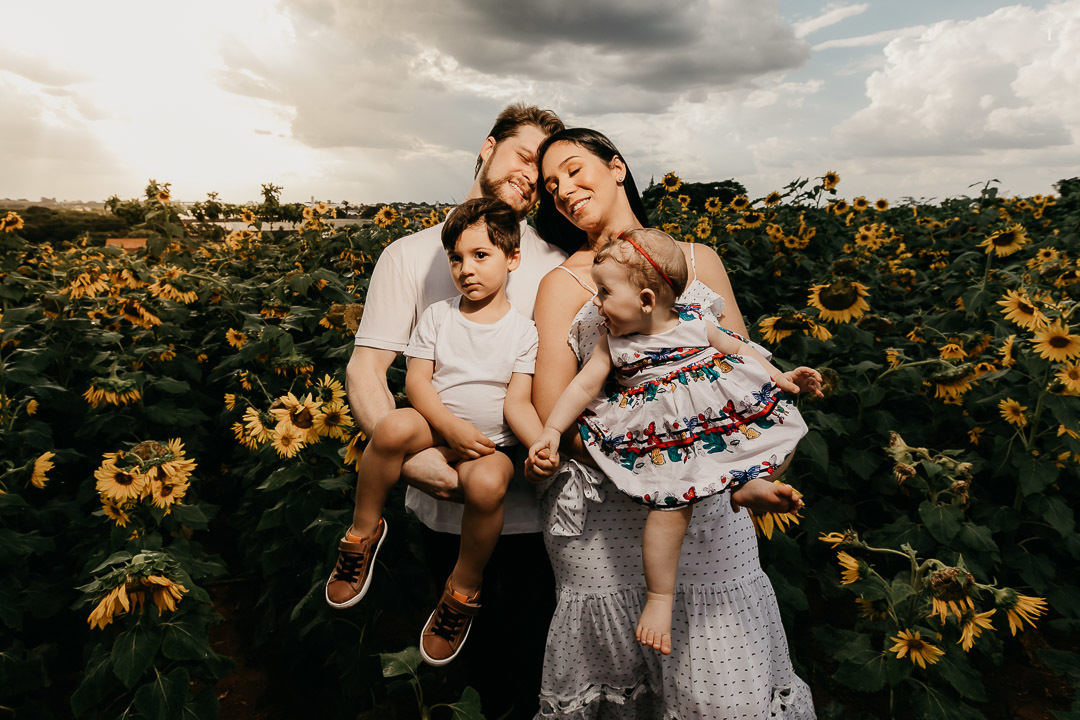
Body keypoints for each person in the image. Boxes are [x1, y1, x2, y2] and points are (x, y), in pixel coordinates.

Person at [530, 128, 817, 718]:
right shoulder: (563, 283)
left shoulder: (696, 259)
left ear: (617, 166)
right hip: (608, 514)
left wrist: (744, 463)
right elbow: (556, 400)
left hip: (714, 506)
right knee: (616, 681)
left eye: (575, 169)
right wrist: (649, 463)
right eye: (550, 184)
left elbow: (737, 363)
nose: (563, 190)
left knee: (721, 683)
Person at [335, 104, 567, 716]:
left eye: (541, 170)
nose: (530, 175)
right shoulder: (410, 255)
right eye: (523, 154)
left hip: (533, 509)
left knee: (530, 664)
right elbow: (368, 370)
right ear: (488, 147)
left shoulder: (552, 260)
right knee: (469, 672)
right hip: (437, 503)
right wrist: (413, 464)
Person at [326, 197, 551, 666]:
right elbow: (416, 383)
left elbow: (517, 401)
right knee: (391, 425)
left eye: (481, 255)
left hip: (491, 444)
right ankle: (363, 532)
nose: (466, 269)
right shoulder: (438, 316)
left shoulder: (524, 332)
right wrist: (448, 426)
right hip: (435, 426)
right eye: (456, 258)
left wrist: (539, 445)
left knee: (489, 483)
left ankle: (462, 587)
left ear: (513, 259)